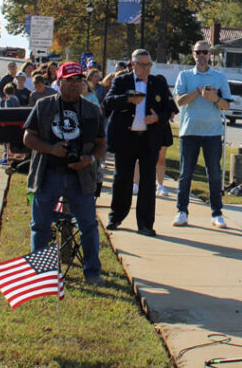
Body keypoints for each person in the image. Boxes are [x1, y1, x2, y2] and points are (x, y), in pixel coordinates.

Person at [22, 62, 106, 284]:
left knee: (88, 225)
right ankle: (40, 276)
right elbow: (28, 138)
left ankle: (92, 273)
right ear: (58, 82)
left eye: (78, 80)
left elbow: (101, 143)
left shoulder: (91, 110)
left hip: (81, 175)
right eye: (69, 80)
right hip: (48, 172)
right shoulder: (43, 106)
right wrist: (51, 149)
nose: (74, 84)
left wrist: (90, 159)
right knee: (40, 225)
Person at [104, 49, 174, 236]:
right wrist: (127, 99)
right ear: (134, 65)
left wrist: (158, 117)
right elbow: (108, 102)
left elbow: (170, 109)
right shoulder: (121, 81)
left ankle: (145, 224)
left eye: (149, 64)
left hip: (149, 139)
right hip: (125, 138)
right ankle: (116, 216)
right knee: (122, 179)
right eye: (143, 64)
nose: (147, 68)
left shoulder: (158, 82)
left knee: (147, 182)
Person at [172, 40, 232, 229]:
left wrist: (215, 98)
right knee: (185, 174)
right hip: (189, 132)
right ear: (193, 54)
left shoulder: (219, 77)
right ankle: (182, 211)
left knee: (214, 174)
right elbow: (180, 101)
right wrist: (198, 92)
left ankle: (216, 213)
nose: (201, 56)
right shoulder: (185, 75)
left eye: (205, 52)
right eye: (198, 52)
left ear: (210, 55)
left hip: (213, 133)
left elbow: (227, 105)